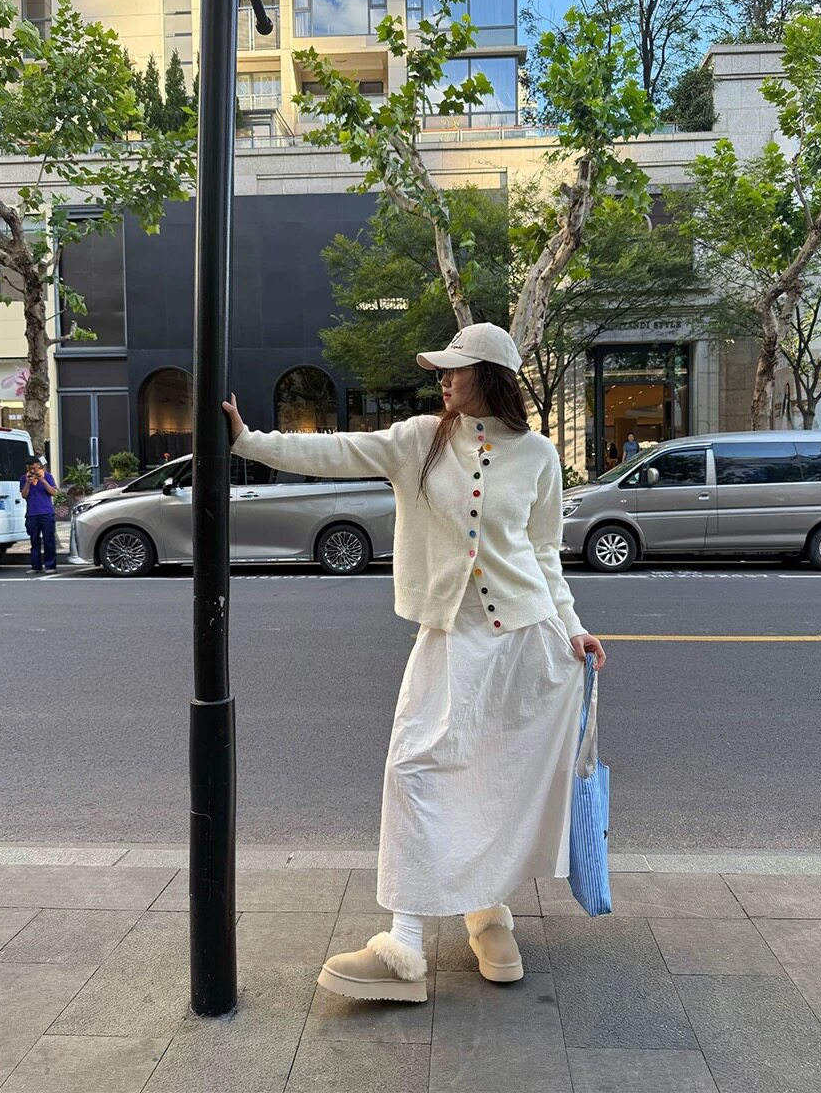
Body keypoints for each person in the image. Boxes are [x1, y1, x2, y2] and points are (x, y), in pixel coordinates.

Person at [223, 322, 606, 1004]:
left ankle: (488, 912)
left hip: (526, 639)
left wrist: (573, 629)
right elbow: (339, 450)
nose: (444, 380)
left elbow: (544, 554)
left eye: (456, 369)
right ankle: (404, 945)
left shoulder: (539, 456)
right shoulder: (419, 440)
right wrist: (249, 441)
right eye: (443, 370)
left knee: (496, 778)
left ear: (490, 377)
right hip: (451, 635)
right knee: (414, 768)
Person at [20, 456, 58, 574]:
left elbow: (53, 492)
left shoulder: (47, 476)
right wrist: (28, 482)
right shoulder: (24, 478)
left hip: (46, 513)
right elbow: (24, 495)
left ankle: (50, 566)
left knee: (49, 540)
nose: (33, 470)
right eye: (30, 468)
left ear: (39, 466)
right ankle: (36, 566)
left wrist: (43, 481)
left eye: (35, 468)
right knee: (34, 541)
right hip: (32, 514)